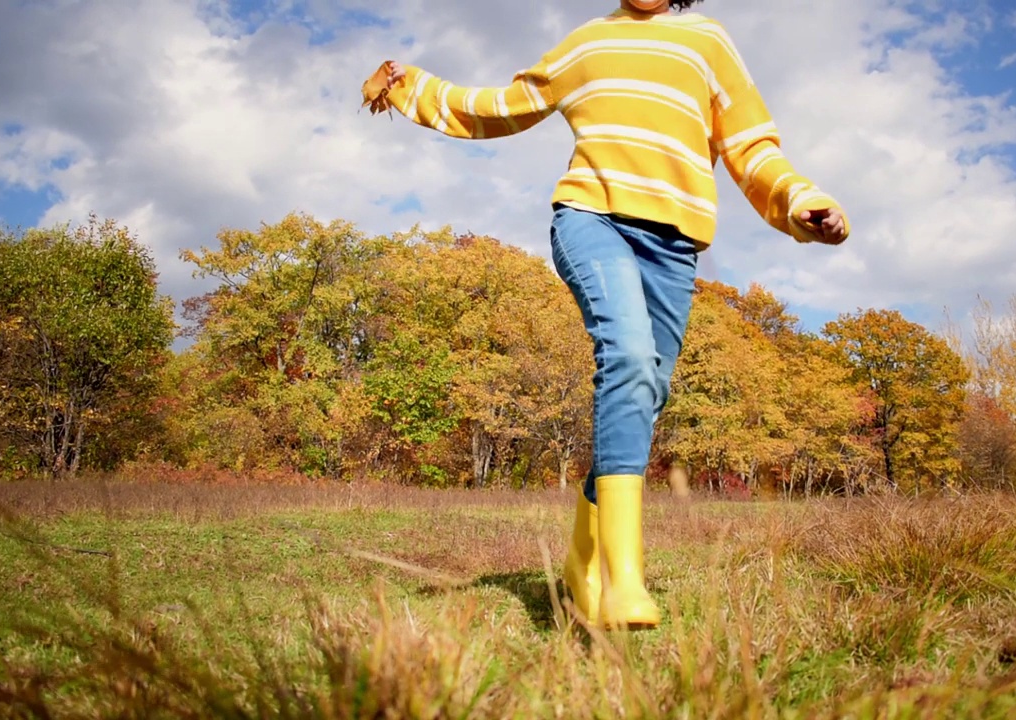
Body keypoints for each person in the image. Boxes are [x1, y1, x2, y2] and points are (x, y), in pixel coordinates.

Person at [359, 0, 850, 630]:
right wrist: (412, 87)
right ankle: (624, 580)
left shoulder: (707, 41)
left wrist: (804, 202)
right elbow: (499, 107)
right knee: (626, 358)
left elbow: (751, 148)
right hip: (591, 221)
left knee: (644, 392)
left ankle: (580, 568)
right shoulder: (586, 42)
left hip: (674, 246)